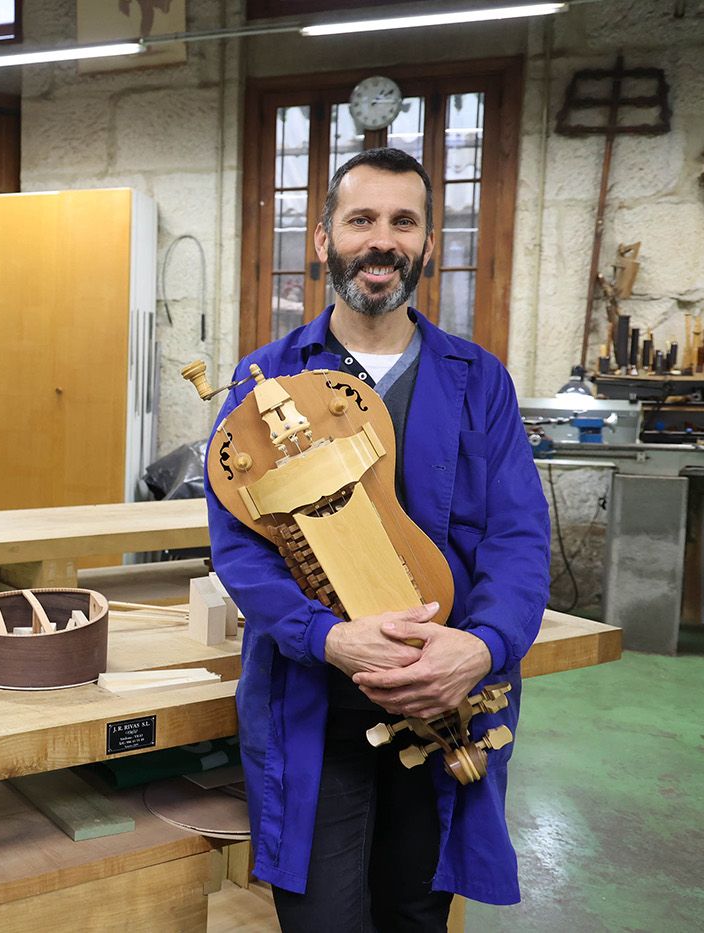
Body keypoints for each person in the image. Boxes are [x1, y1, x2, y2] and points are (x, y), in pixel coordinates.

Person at [206, 147, 550, 930]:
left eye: (404, 221)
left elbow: (520, 535)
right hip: (313, 698)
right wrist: (330, 638)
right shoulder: (265, 381)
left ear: (427, 243)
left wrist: (483, 646)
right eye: (361, 219)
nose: (382, 240)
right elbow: (240, 548)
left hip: (448, 694)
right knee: (322, 916)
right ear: (324, 240)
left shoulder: (479, 378)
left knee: (417, 912)